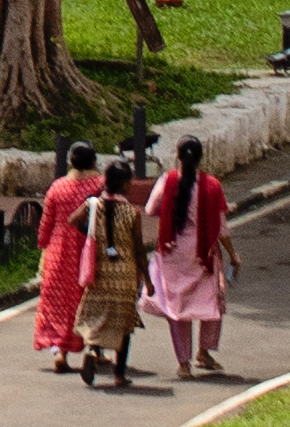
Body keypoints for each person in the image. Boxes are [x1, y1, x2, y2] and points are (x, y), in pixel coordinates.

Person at [150, 155, 236, 379]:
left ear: (177, 156)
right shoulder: (211, 185)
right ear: (200, 157)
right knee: (211, 302)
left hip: (174, 252)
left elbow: (151, 209)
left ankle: (183, 364)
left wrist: (171, 212)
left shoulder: (167, 181)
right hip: (203, 252)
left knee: (178, 310)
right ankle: (204, 352)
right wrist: (233, 254)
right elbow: (221, 227)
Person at [73, 151, 154, 389]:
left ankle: (91, 351)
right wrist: (147, 280)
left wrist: (89, 233)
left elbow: (71, 219)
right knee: (124, 325)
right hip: (125, 274)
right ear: (125, 184)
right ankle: (119, 374)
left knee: (98, 315)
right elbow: (139, 249)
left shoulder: (93, 205)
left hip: (99, 273)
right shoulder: (131, 213)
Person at [29, 140, 102, 366]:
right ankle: (94, 348)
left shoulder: (57, 187)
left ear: (70, 161)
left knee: (58, 303)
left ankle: (59, 351)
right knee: (88, 300)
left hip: (58, 250)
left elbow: (46, 223)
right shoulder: (99, 185)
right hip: (89, 249)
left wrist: (43, 244)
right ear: (93, 161)